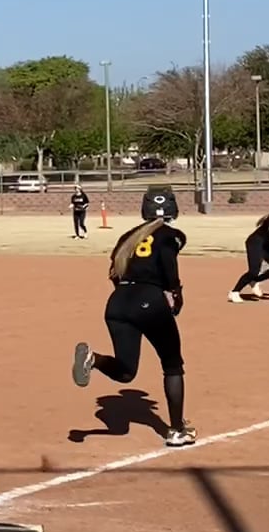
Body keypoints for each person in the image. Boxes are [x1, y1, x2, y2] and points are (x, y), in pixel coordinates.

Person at [71, 188, 194, 447]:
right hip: (149, 300)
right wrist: (175, 292)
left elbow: (114, 272)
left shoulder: (128, 237)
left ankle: (94, 359)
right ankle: (176, 430)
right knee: (172, 365)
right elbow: (168, 263)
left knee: (126, 372)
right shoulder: (172, 235)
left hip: (117, 303)